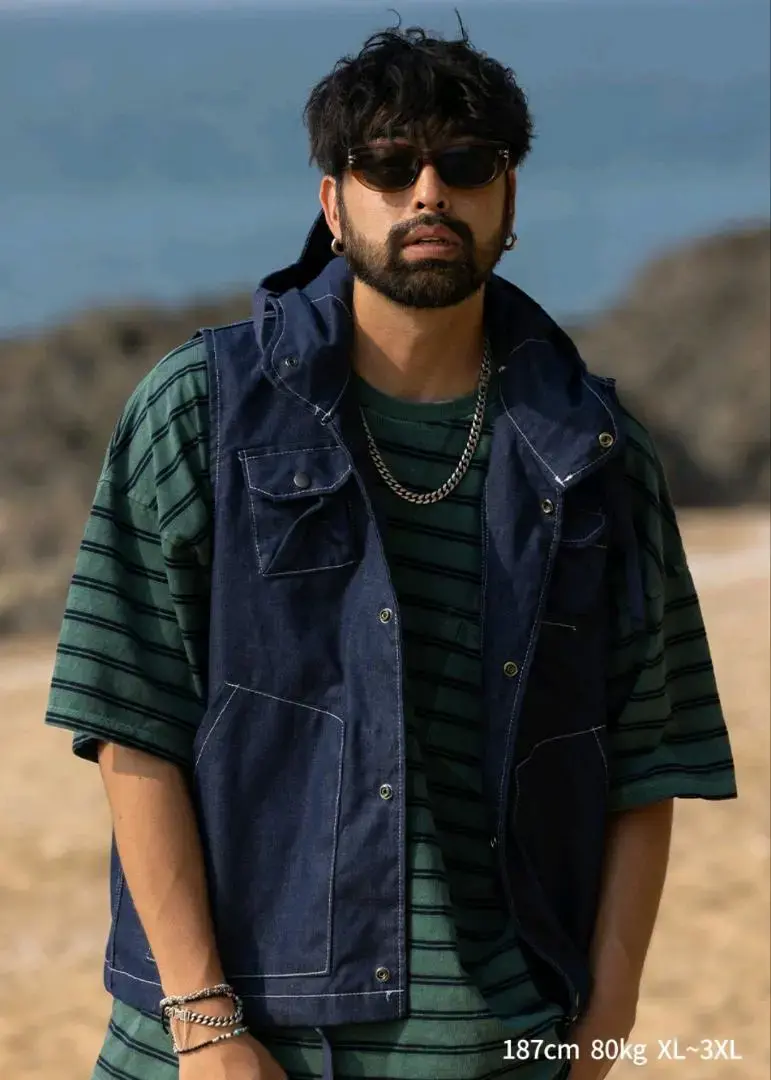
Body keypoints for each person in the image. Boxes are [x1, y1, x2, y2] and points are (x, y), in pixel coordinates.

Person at [44, 18, 737, 1080]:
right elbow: (128, 717)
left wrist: (601, 1031)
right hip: (231, 1046)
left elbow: (647, 756)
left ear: (508, 200)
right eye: (385, 165)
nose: (428, 193)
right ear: (333, 202)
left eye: (464, 164)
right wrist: (205, 1023)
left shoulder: (594, 451)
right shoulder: (203, 408)